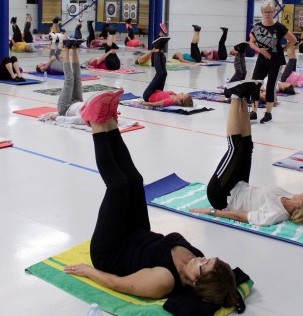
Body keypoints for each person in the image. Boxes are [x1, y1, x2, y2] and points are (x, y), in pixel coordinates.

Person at [62, 89, 240, 309]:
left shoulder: (163, 281)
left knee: (118, 186)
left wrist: (88, 270)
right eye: (208, 259)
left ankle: (96, 122)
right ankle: (109, 120)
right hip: (138, 235)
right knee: (136, 181)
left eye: (203, 266)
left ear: (196, 282)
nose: (201, 259)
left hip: (111, 250)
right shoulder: (196, 258)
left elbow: (118, 283)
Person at [190, 82, 303, 228]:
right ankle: (244, 97)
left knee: (235, 148)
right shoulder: (289, 197)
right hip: (240, 185)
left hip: (221, 195)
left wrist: (212, 212)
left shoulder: (275, 215)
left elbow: (242, 216)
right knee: (247, 146)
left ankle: (234, 96)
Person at [249, 3, 298, 124]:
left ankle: (268, 113)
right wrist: (259, 50)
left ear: (273, 13)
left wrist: (284, 49)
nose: (267, 14)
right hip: (261, 59)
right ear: (262, 13)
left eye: (270, 12)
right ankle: (254, 111)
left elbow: (293, 40)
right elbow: (251, 42)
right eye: (265, 12)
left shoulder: (279, 27)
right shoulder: (257, 27)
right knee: (255, 84)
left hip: (276, 61)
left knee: (270, 86)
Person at [38, 39, 88, 125]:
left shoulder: (86, 119)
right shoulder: (97, 112)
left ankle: (66, 47)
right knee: (78, 79)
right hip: (78, 101)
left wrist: (54, 117)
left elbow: (72, 120)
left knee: (69, 80)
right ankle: (74, 47)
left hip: (65, 108)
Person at [141, 37, 193, 108]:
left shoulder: (172, 101)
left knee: (160, 74)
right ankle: (161, 48)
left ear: (180, 101)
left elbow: (160, 103)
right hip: (157, 92)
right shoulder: (175, 96)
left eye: (183, 95)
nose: (181, 93)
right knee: (164, 74)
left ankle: (156, 48)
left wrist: (147, 104)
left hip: (149, 95)